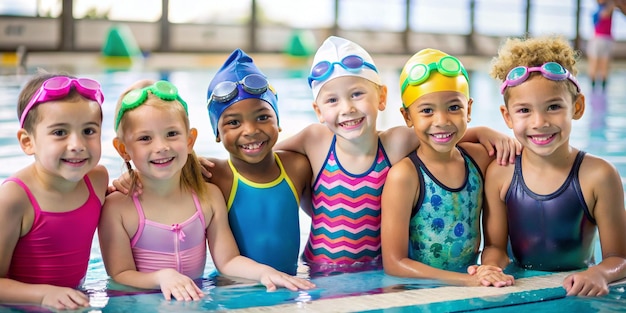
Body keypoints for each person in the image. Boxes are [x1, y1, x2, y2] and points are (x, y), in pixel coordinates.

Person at [275, 36, 520, 276]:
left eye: (357, 94)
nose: (347, 108)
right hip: (318, 269)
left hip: (375, 270)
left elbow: (440, 135)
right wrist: (310, 200)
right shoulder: (315, 140)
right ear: (318, 111)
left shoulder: (395, 142)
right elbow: (269, 155)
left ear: (382, 97)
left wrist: (483, 132)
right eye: (332, 100)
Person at [99, 79, 314, 302]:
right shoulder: (118, 208)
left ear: (190, 139)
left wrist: (264, 273)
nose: (161, 147)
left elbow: (228, 261)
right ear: (123, 149)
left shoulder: (207, 197)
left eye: (172, 134)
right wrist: (162, 278)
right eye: (145, 138)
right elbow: (120, 274)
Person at [482, 35, 626, 296]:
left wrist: (599, 273)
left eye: (554, 107)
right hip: (520, 290)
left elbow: (619, 259)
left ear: (577, 107)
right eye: (524, 111)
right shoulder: (500, 173)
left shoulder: (599, 175)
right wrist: (490, 268)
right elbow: (495, 248)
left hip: (578, 292)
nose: (539, 122)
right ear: (507, 117)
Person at [379, 48, 514, 288]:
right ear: (407, 117)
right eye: (427, 111)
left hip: (469, 280)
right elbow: (394, 262)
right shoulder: (405, 176)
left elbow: (495, 244)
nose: (442, 120)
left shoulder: (480, 160)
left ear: (469, 110)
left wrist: (488, 270)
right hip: (418, 289)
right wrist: (467, 281)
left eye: (454, 108)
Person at [0, 73, 109, 309]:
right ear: (28, 142)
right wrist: (42, 295)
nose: (77, 145)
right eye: (60, 132)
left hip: (74, 301)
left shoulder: (98, 181)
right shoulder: (15, 198)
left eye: (89, 131)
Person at [587, 0, 626, 92]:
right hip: (597, 38)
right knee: (594, 64)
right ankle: (593, 88)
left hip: (606, 39)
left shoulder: (611, 6)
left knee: (605, 65)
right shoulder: (599, 9)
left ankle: (603, 88)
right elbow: (603, 15)